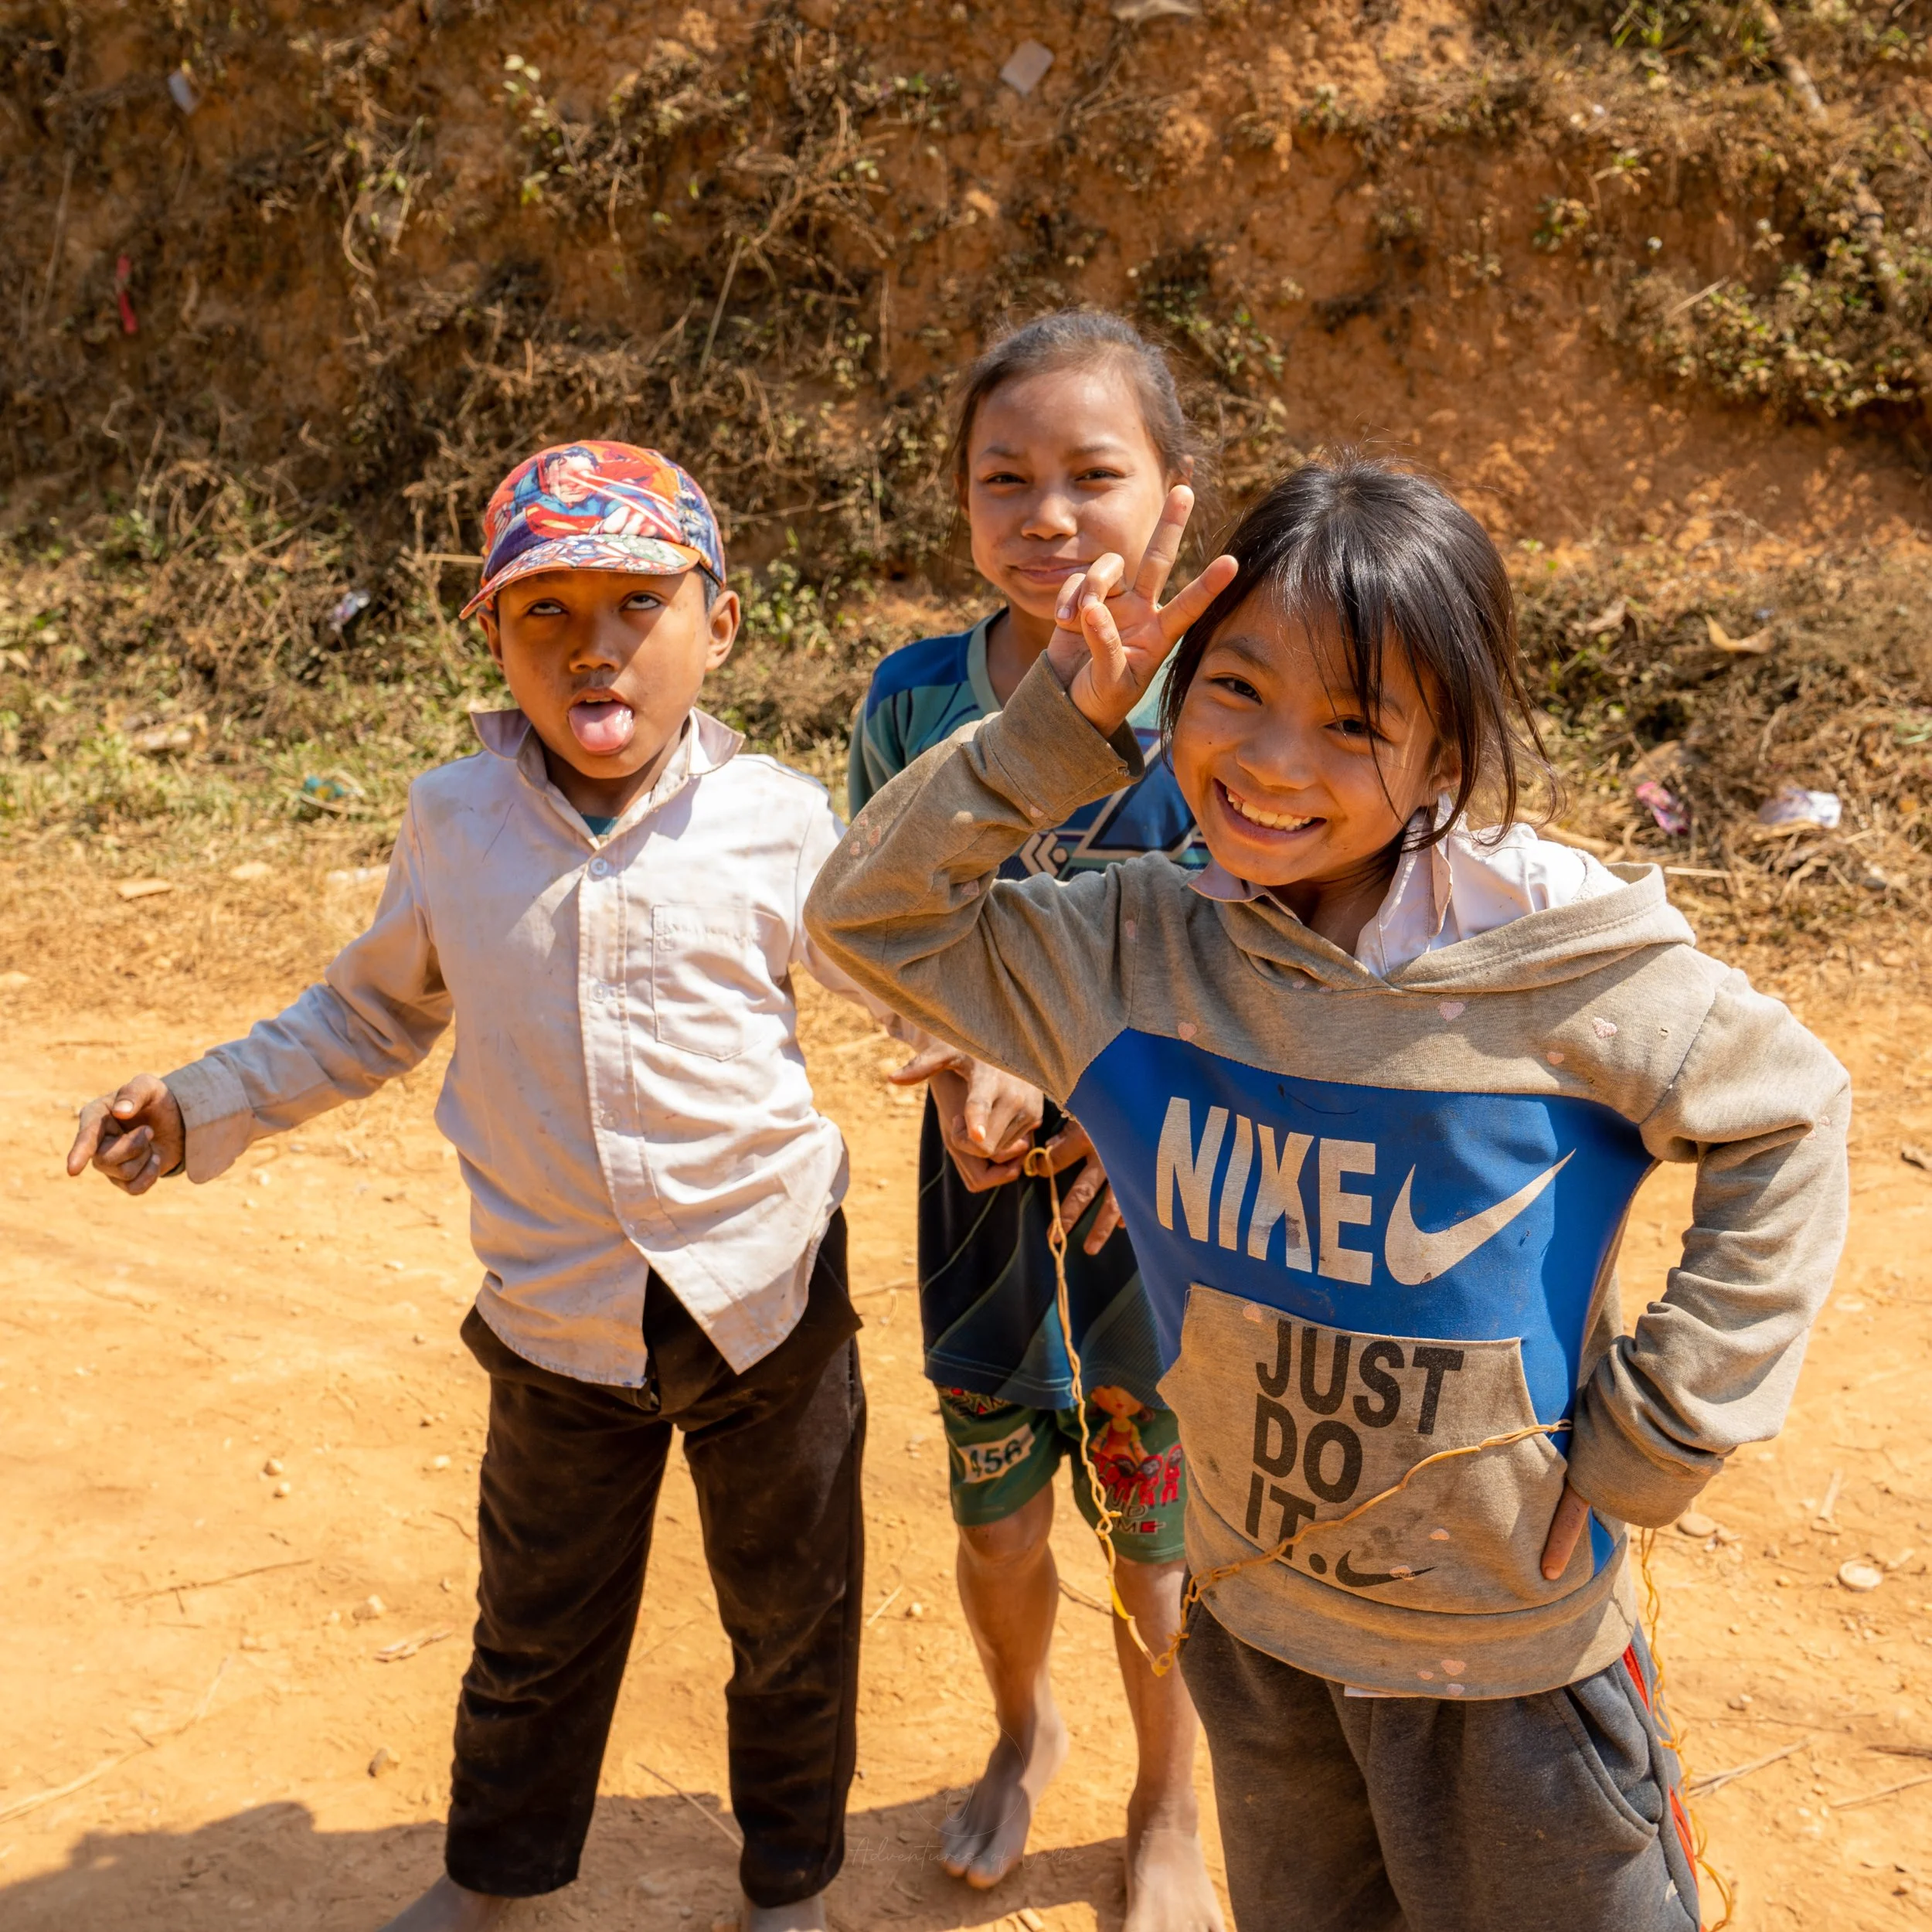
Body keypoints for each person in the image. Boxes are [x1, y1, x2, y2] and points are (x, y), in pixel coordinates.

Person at [806, 454, 1851, 1931]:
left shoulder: (1554, 973)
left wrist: (1668, 1426)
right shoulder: (1132, 952)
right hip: (1256, 1626)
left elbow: (1793, 1112)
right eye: (1235, 691)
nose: (1277, 761)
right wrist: (1051, 729)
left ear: (1443, 758)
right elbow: (865, 919)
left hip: (1513, 1664)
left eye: (1357, 722)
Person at [66, 440, 910, 1932]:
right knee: (535, 1629)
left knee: (793, 1622)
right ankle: (492, 1877)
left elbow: (890, 979)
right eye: (546, 612)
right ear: (492, 640)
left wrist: (982, 1066)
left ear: (720, 624)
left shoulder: (776, 818)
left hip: (765, 1296)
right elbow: (369, 1012)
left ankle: (790, 1886)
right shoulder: (454, 820)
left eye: (638, 601)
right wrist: (201, 1102)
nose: (594, 644)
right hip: (555, 1318)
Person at [846, 311, 1223, 1930]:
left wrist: (1102, 1084)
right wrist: (952, 1055)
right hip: (976, 1188)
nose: (1047, 515)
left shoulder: (1223, 701)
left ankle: (1164, 1796)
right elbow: (875, 927)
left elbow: (1259, 949)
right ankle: (1022, 1726)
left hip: (1162, 1202)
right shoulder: (913, 698)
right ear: (959, 507)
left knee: (1154, 1530)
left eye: (1092, 475)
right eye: (1004, 478)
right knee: (991, 1510)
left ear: (1174, 504)